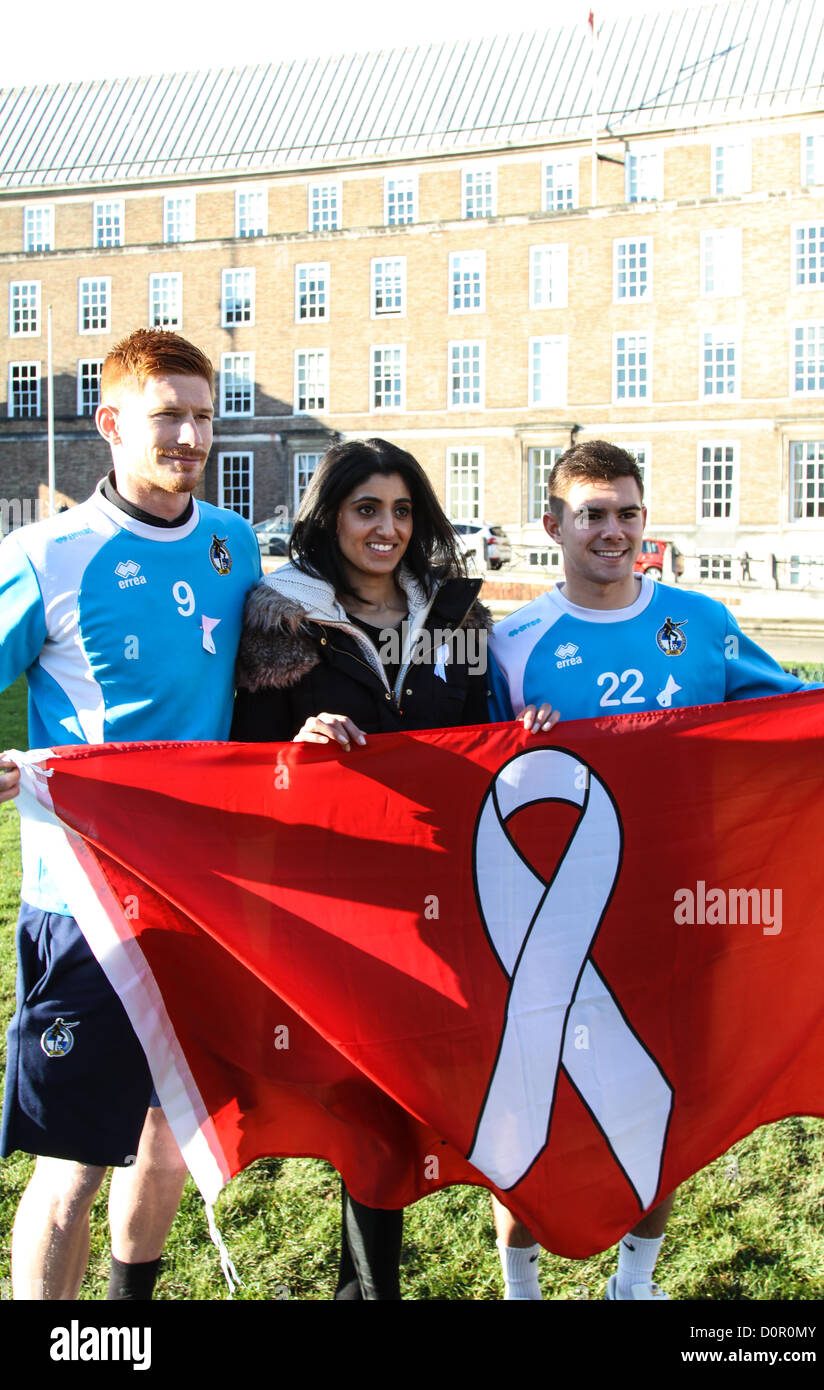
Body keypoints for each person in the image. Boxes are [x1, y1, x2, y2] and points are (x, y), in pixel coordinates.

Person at [486, 438, 815, 1301]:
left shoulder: (699, 622)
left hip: (674, 908)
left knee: (656, 1105)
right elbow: (466, 779)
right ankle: (521, 1291)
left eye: (627, 512)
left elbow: (790, 714)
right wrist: (515, 748)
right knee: (534, 1104)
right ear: (552, 523)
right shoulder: (512, 643)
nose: (613, 530)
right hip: (555, 922)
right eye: (592, 514)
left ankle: (634, 1285)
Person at [232, 436, 556, 1299]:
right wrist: (296, 748)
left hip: (449, 886)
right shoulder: (278, 615)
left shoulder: (457, 613)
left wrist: (525, 733)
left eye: (403, 510)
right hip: (344, 894)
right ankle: (368, 1291)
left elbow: (481, 733)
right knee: (370, 1097)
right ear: (330, 515)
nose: (386, 528)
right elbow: (244, 759)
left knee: (459, 1082)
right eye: (366, 508)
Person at [0, 328, 261, 1300]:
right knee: (73, 1163)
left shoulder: (234, 545)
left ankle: (122, 1322)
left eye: (202, 415)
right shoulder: (46, 554)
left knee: (168, 1129)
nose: (189, 435)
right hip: (85, 910)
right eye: (167, 416)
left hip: (201, 902)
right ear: (111, 424)